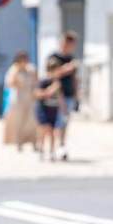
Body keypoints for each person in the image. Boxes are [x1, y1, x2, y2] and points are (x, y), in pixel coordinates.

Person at [48, 31, 80, 161]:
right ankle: (53, 148)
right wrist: (65, 69)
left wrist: (77, 93)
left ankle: (62, 146)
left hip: (69, 94)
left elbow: (75, 78)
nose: (71, 47)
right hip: (56, 95)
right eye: (69, 44)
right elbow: (50, 74)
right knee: (55, 123)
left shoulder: (71, 58)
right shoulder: (54, 57)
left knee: (64, 123)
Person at [3, 50, 38, 151]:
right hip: (18, 99)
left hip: (30, 98)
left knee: (32, 121)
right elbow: (10, 83)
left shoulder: (31, 69)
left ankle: (34, 142)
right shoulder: (14, 69)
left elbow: (36, 82)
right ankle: (19, 143)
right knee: (19, 122)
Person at [34, 57, 64, 162]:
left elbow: (60, 96)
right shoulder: (43, 81)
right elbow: (37, 94)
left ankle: (51, 152)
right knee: (44, 131)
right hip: (43, 109)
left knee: (52, 132)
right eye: (56, 70)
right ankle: (41, 149)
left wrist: (63, 108)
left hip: (54, 110)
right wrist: (51, 90)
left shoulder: (57, 83)